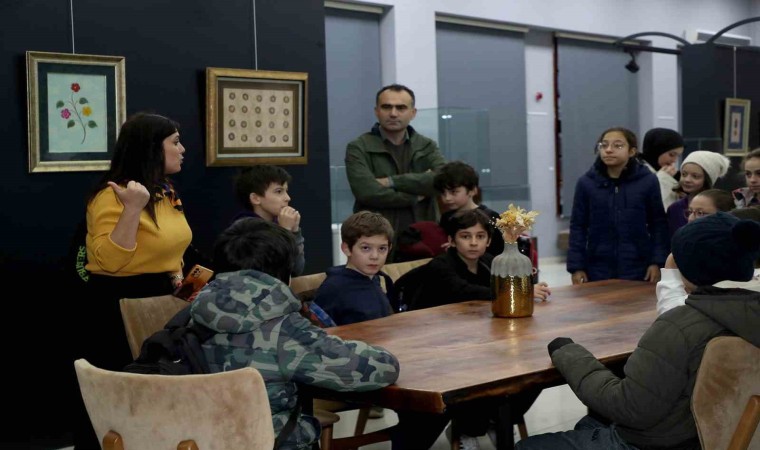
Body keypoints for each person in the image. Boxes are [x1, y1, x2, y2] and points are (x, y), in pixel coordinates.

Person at [517, 212, 760, 450]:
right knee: (589, 423)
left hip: (656, 442)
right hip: (716, 437)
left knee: (527, 446)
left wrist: (567, 352)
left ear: (691, 267)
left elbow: (627, 407)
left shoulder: (680, 326)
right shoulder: (745, 315)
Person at [190, 218, 399, 449]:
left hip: (201, 438)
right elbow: (381, 369)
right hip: (270, 441)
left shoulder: (191, 316)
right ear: (283, 272)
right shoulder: (285, 329)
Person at [76, 112, 193, 448]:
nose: (182, 149)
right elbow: (109, 262)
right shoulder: (112, 196)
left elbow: (174, 248)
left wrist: (183, 283)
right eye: (175, 142)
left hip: (162, 301)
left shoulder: (166, 191)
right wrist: (131, 210)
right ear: (152, 148)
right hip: (118, 307)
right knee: (119, 404)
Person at [345, 84, 447, 259]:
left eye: (401, 108)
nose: (393, 113)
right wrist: (415, 196)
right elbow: (367, 192)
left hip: (422, 237)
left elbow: (442, 179)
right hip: (374, 238)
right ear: (377, 111)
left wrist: (391, 182)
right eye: (387, 107)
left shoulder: (427, 146)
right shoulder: (358, 147)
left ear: (413, 113)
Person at [567, 127, 668, 285]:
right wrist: (576, 266)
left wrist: (657, 262)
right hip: (597, 266)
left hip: (638, 265)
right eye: (604, 145)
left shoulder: (647, 181)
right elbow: (578, 227)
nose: (608, 150)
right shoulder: (586, 183)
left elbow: (658, 224)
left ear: (632, 151)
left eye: (617, 145)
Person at [408, 209, 551, 311]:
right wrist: (518, 291)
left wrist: (526, 287)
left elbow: (504, 282)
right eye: (465, 236)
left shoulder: (489, 261)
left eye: (480, 236)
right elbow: (465, 292)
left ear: (488, 241)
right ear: (451, 241)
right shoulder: (440, 265)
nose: (473, 243)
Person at [657, 205, 760, 315]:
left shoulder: (699, 309)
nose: (691, 217)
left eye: (700, 213)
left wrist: (671, 272)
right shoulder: (750, 292)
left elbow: (671, 311)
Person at [313, 211, 396, 324]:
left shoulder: (378, 279)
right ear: (346, 249)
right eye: (365, 248)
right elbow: (317, 330)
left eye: (382, 248)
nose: (375, 256)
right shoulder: (333, 288)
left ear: (389, 249)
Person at [232, 165, 305, 275]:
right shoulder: (244, 231)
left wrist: (294, 232)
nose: (288, 198)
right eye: (279, 191)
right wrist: (285, 232)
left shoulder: (277, 222)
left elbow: (296, 270)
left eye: (286, 191)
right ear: (255, 198)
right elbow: (272, 271)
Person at [434, 161, 504, 257]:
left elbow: (500, 251)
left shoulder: (491, 217)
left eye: (453, 192)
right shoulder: (447, 218)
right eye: (443, 193)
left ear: (472, 191)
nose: (447, 198)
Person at [666, 150, 730, 238]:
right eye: (684, 174)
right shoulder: (674, 208)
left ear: (708, 179)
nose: (687, 180)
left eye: (695, 176)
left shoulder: (719, 207)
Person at [639, 127, 684, 209]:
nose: (674, 160)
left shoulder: (671, 174)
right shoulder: (635, 172)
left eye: (678, 156)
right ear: (657, 151)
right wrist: (664, 179)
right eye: (671, 155)